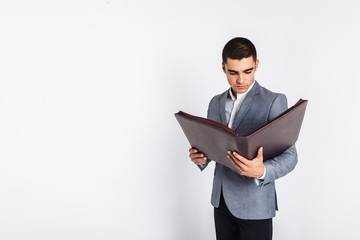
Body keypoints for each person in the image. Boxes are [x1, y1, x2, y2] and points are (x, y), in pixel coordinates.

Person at [189, 37, 298, 240]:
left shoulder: (274, 101)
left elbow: (290, 156)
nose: (241, 80)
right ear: (223, 68)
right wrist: (201, 158)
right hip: (221, 202)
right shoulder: (215, 102)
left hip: (255, 204)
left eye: (247, 71)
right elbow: (214, 145)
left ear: (256, 65)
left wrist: (262, 171)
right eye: (233, 73)